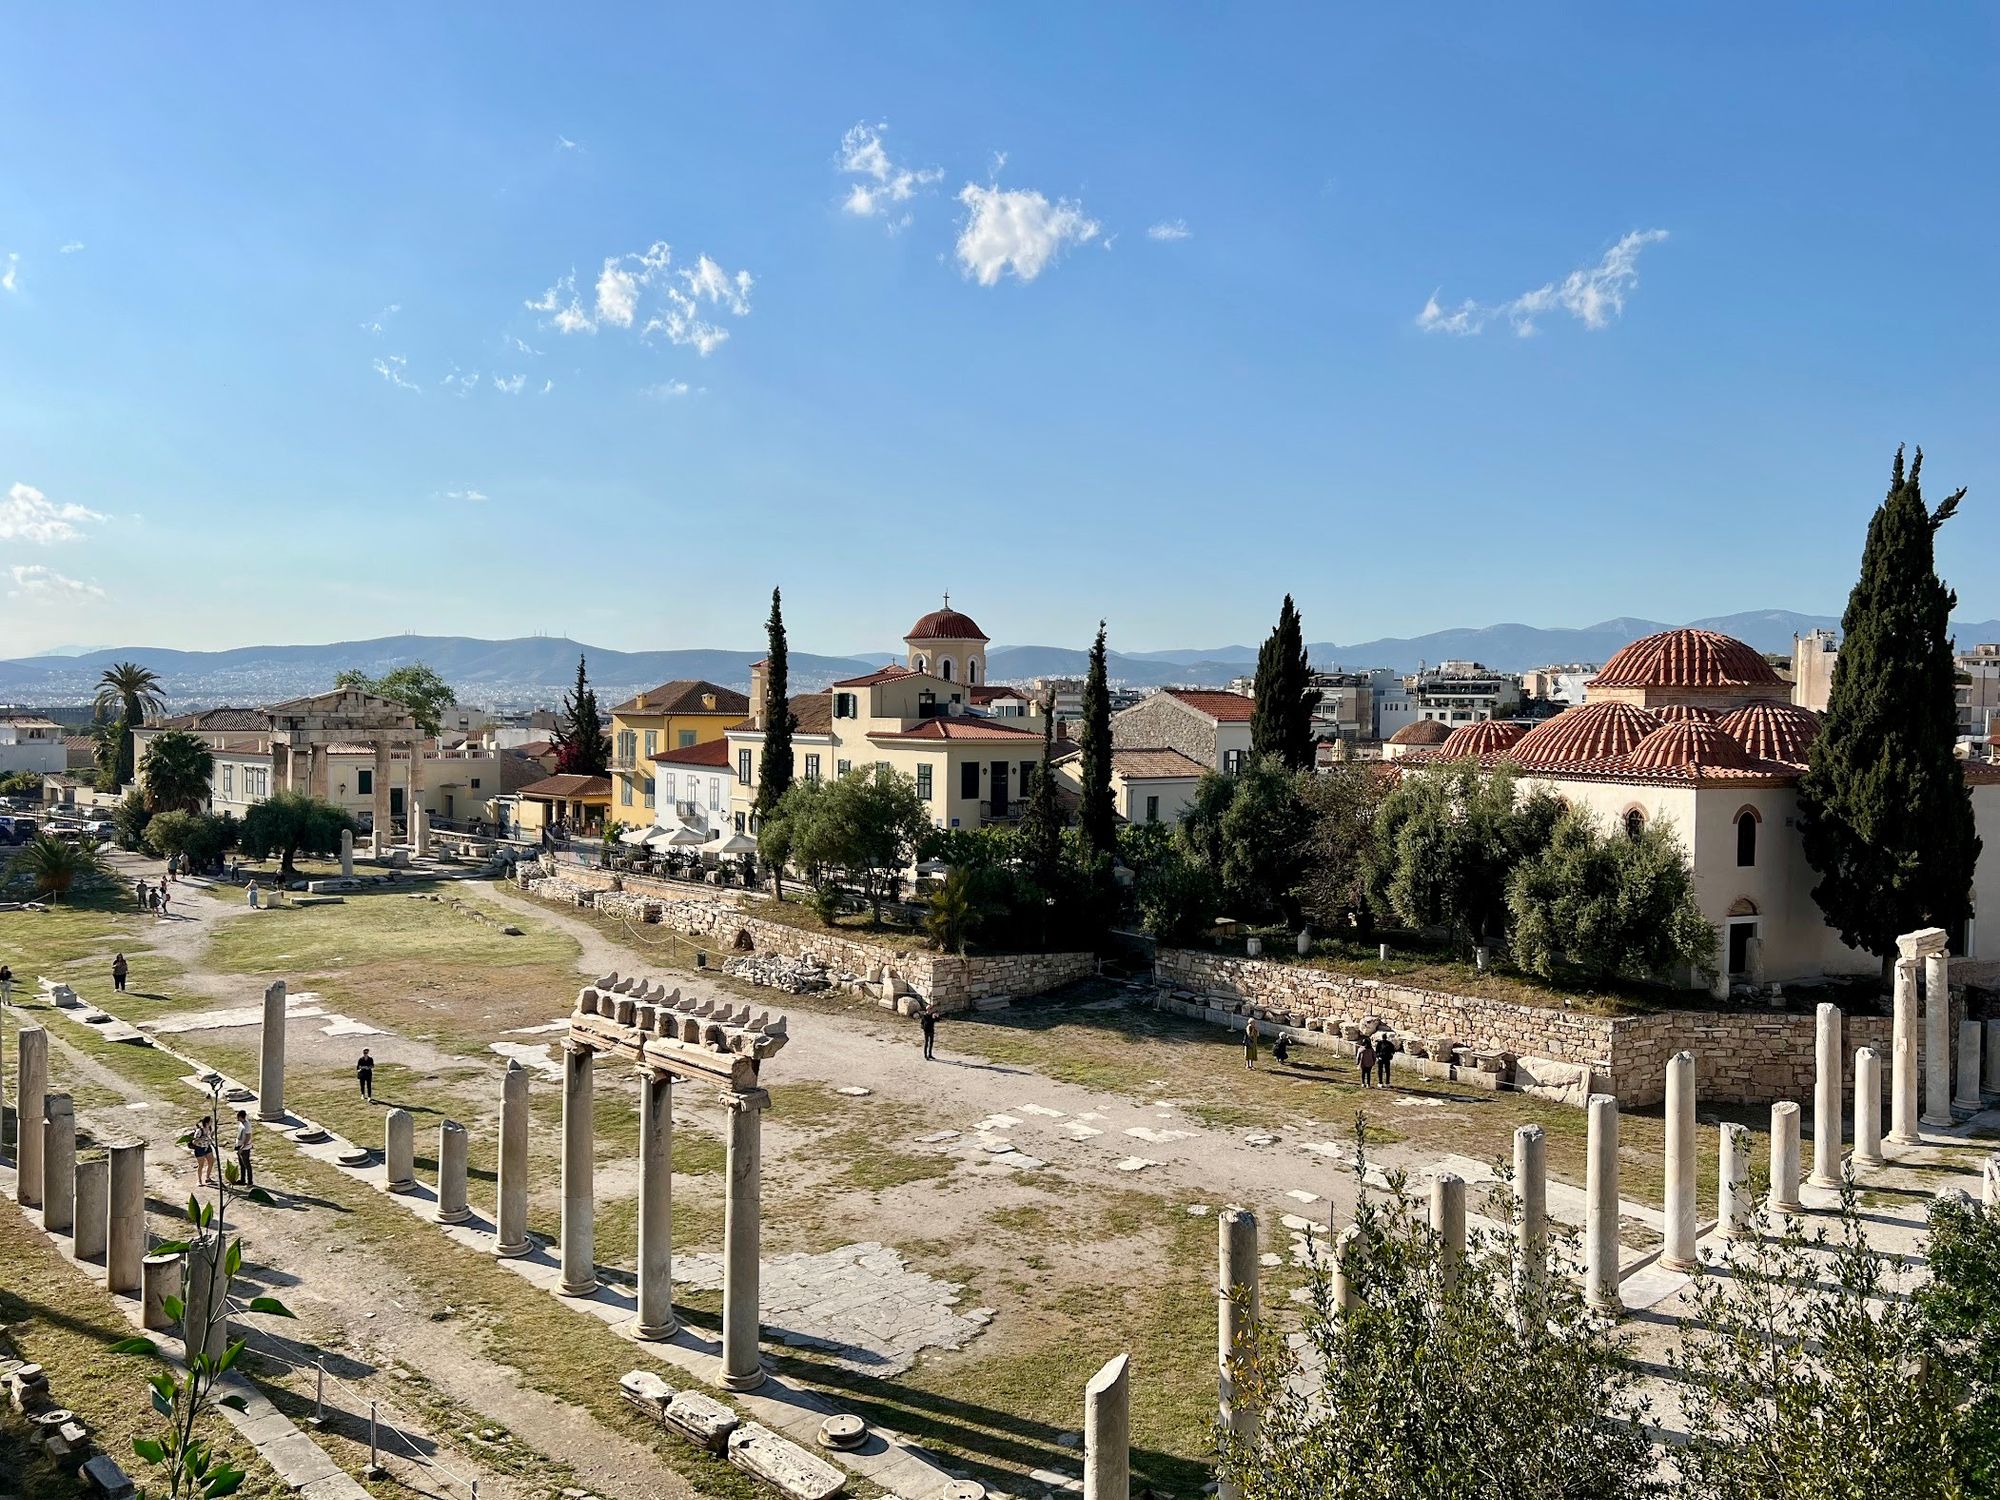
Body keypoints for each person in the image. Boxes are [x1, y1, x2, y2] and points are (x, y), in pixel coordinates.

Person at [191, 1116, 216, 1186]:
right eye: (211, 1121)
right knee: (201, 1165)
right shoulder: (200, 1130)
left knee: (211, 1162)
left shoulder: (210, 1129)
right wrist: (201, 1138)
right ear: (207, 1122)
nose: (212, 1122)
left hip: (207, 1147)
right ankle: (199, 1180)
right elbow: (194, 1141)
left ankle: (208, 1177)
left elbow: (210, 1136)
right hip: (200, 1148)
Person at [233, 1110, 254, 1188]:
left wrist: (242, 1147)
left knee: (247, 1164)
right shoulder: (241, 1123)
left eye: (238, 1117)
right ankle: (242, 1180)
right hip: (239, 1145)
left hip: (244, 1148)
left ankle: (250, 1181)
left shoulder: (247, 1125)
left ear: (241, 1117)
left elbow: (248, 1137)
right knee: (241, 1164)